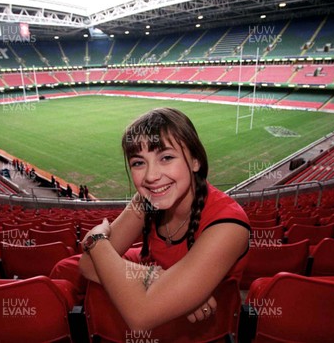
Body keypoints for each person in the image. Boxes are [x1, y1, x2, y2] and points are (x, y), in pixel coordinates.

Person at [78, 107, 250, 331]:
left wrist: (97, 237)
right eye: (138, 162)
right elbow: (87, 265)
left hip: (201, 333)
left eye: (166, 157)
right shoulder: (146, 200)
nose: (151, 176)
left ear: (196, 160)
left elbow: (141, 315)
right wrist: (165, 281)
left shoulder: (229, 224)